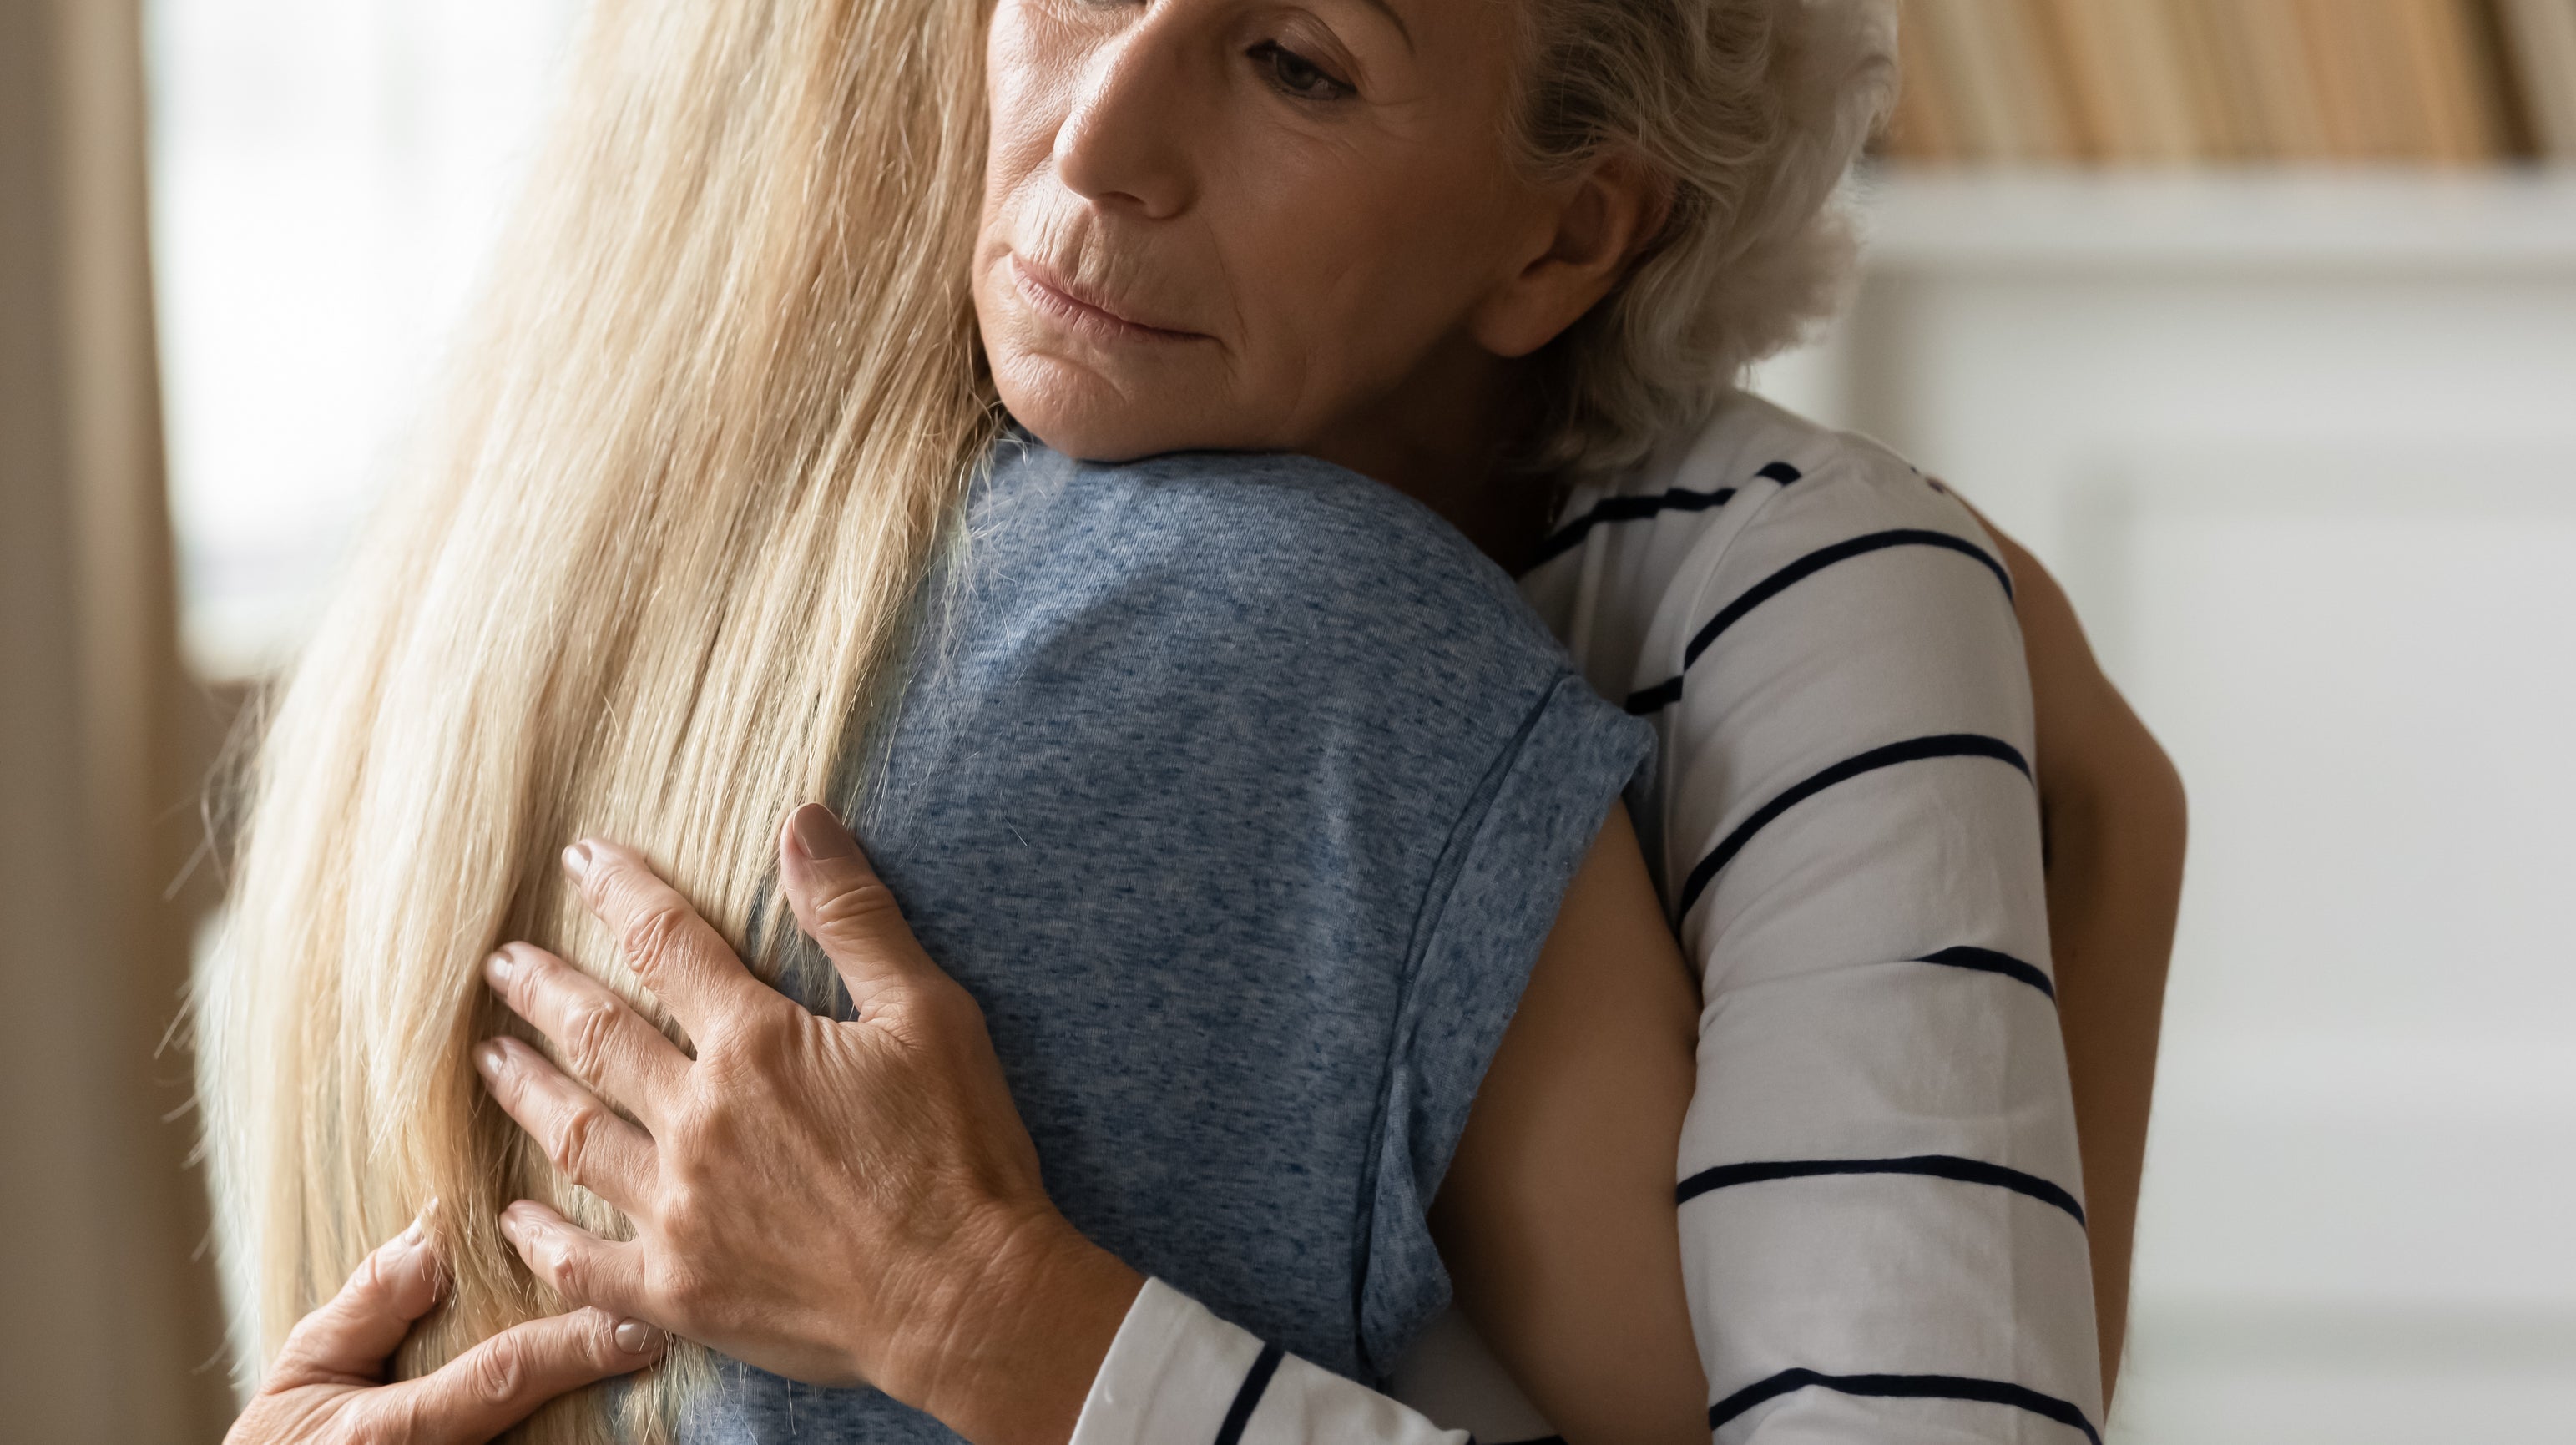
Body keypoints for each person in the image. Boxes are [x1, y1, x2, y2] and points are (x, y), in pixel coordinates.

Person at [209, 0, 2186, 1438]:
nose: (1099, 143)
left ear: (1566, 236)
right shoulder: (851, 589)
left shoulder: (1793, 595)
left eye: (1296, 64)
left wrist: (987, 1305)